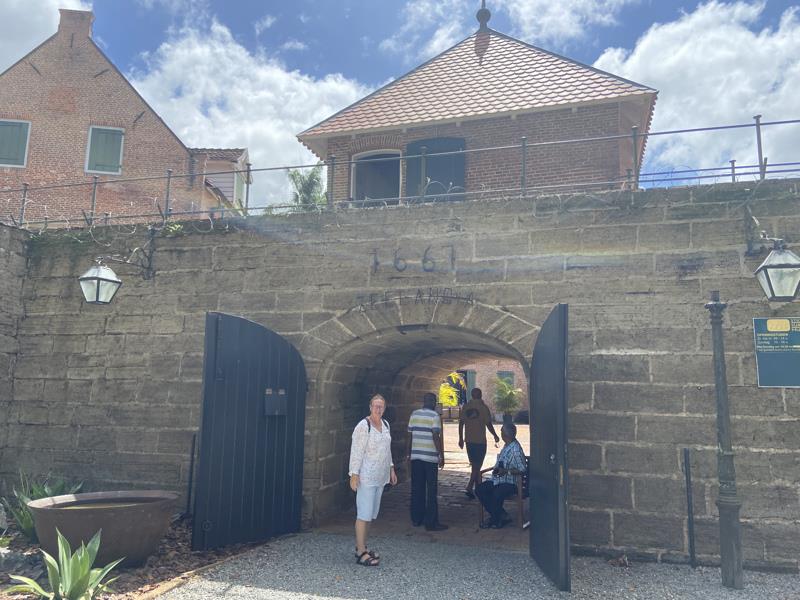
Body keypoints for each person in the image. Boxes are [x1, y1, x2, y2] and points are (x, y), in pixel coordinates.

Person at [348, 394, 397, 567]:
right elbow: (356, 451)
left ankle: (363, 546)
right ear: (370, 407)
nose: (378, 409)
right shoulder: (364, 426)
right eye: (375, 406)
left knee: (370, 514)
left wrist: (391, 468)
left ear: (384, 408)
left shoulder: (385, 424)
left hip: (380, 476)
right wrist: (354, 474)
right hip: (366, 476)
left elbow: (387, 449)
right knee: (363, 513)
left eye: (381, 406)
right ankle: (361, 552)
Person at [406, 392, 447, 531]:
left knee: (417, 488)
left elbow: (410, 435)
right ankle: (431, 522)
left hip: (416, 457)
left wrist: (408, 454)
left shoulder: (414, 414)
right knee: (431, 490)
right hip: (429, 458)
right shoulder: (435, 416)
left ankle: (416, 518)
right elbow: (435, 436)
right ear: (433, 402)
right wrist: (440, 455)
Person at [476, 422, 526, 529]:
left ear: (506, 435)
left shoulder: (515, 449)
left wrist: (506, 471)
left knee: (497, 493)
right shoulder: (506, 445)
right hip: (498, 479)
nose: (501, 433)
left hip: (510, 482)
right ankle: (501, 515)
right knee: (480, 489)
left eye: (501, 431)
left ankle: (496, 520)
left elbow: (522, 469)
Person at [458, 387, 500, 500]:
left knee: (474, 464)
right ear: (480, 395)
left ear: (472, 395)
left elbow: (461, 423)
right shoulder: (483, 408)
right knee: (477, 466)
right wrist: (495, 435)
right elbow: (488, 424)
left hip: (469, 440)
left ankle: (477, 488)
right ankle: (470, 486)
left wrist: (461, 438)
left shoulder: (466, 407)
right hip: (480, 441)